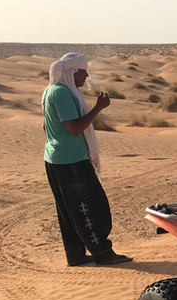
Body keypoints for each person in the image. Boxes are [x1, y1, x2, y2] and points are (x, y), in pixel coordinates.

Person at [41, 53, 132, 267]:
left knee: (68, 210)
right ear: (72, 72)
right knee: (89, 206)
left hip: (57, 159)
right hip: (70, 161)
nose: (86, 75)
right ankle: (102, 253)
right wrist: (98, 108)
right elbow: (74, 128)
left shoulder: (50, 90)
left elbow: (47, 126)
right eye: (83, 71)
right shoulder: (62, 93)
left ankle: (76, 255)